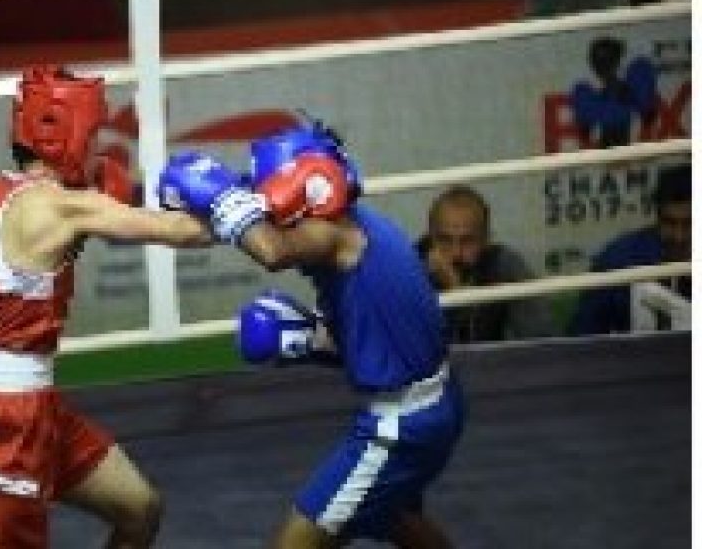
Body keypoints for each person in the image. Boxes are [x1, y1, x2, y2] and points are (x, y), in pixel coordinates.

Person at [158, 119, 465, 548]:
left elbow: (272, 251)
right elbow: (380, 340)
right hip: (438, 402)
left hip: (402, 424)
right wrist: (313, 339)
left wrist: (222, 196)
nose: (269, 213)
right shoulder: (364, 226)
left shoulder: (336, 233)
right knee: (393, 516)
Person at [0, 66, 212, 548]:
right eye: (93, 134)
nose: (97, 148)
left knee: (139, 509)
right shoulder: (59, 207)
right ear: (64, 134)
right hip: (8, 419)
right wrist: (260, 200)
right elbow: (183, 232)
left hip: (35, 408)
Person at [416, 186, 555, 343]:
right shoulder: (410, 270)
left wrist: (459, 294)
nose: (456, 253)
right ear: (430, 237)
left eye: (468, 241)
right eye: (445, 240)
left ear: (486, 239)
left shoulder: (504, 265)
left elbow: (542, 340)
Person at [571, 163, 690, 335]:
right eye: (669, 223)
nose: (679, 236)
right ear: (657, 218)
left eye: (690, 224)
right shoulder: (619, 262)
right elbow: (582, 338)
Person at [569, 36, 658, 149]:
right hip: (607, 154)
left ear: (617, 60)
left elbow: (648, 116)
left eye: (607, 59)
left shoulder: (636, 79)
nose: (602, 65)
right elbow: (584, 133)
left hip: (634, 151)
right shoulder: (584, 93)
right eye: (598, 60)